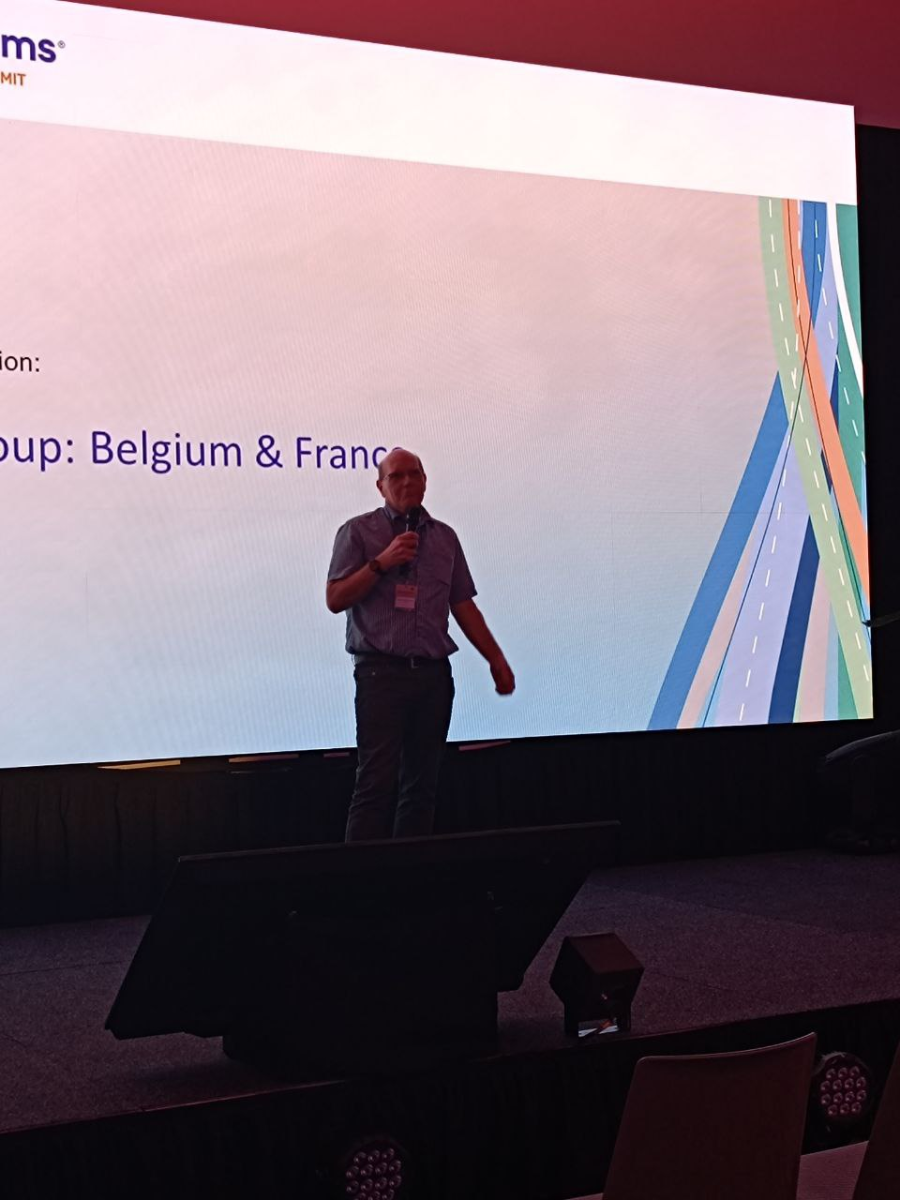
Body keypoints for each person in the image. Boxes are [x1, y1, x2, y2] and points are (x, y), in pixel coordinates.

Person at [326, 447, 515, 841]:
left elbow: (462, 604)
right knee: (375, 784)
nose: (407, 481)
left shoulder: (445, 537)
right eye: (395, 476)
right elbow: (335, 598)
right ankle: (357, 877)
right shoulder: (357, 532)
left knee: (421, 788)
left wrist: (495, 658)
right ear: (380, 486)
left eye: (414, 473)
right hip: (380, 675)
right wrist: (381, 562)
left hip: (432, 676)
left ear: (426, 481)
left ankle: (408, 873)